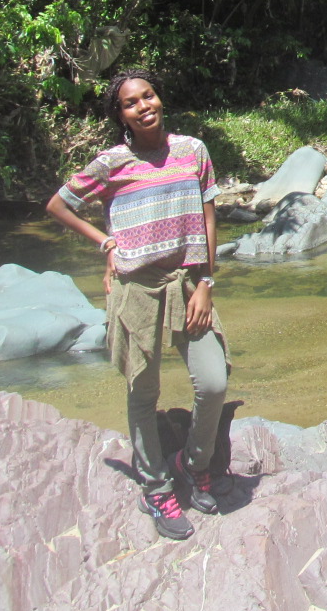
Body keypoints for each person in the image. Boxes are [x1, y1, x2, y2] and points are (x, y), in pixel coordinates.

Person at [46, 68, 227, 541]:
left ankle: (193, 464)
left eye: (149, 96)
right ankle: (155, 486)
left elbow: (209, 217)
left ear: (160, 98)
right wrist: (105, 242)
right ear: (121, 115)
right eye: (131, 103)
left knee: (213, 382)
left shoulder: (193, 151)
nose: (144, 106)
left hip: (187, 282)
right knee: (143, 392)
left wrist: (206, 281)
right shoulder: (111, 163)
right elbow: (59, 205)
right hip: (136, 286)